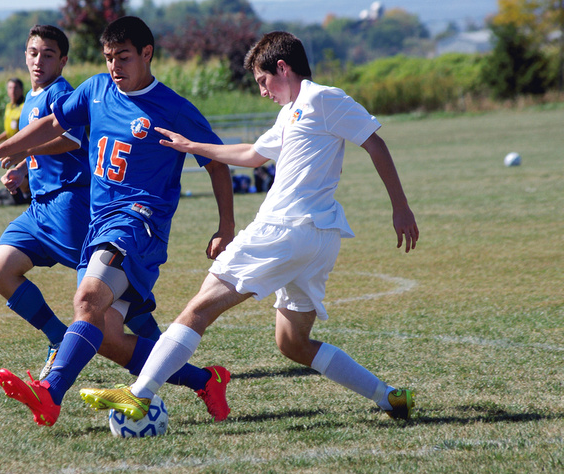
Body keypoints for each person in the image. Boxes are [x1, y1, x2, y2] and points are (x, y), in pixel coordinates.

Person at [80, 31, 420, 423]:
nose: (262, 91)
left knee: (197, 309)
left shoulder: (324, 98)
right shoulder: (291, 112)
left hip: (283, 229)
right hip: (318, 239)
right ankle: (388, 396)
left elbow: (375, 143)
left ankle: (139, 394)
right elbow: (252, 155)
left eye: (262, 81)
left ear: (282, 68)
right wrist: (192, 146)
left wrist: (401, 207)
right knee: (293, 343)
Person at [0, 16, 236, 427]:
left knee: (87, 301)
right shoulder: (95, 90)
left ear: (147, 54)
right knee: (106, 337)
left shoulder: (174, 109)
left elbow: (217, 163)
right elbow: (53, 124)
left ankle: (50, 393)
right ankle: (206, 380)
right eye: (109, 58)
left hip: (138, 225)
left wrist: (225, 227)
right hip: (99, 225)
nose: (114, 66)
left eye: (123, 57)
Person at [0, 24, 163, 381]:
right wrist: (21, 169)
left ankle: (162, 350)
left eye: (48, 55)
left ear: (62, 61)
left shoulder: (60, 93)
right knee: (1, 272)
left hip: (70, 202)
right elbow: (38, 152)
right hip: (39, 208)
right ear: (25, 55)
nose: (39, 61)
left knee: (106, 289)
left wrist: (24, 150)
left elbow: (72, 141)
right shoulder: (28, 101)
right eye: (34, 53)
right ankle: (56, 335)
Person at [0, 77, 25, 147]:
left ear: (21, 90)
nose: (13, 91)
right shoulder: (9, 107)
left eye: (16, 88)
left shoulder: (25, 106)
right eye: (10, 88)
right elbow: (10, 131)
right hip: (12, 146)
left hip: (22, 146)